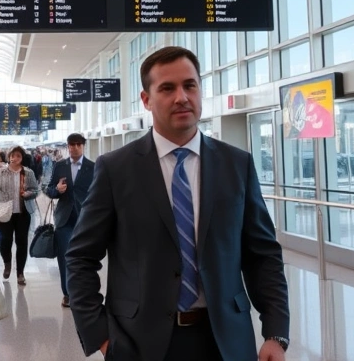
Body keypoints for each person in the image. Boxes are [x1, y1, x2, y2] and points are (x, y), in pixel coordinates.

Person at [66, 47, 290, 361]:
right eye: (167, 88)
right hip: (139, 344)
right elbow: (80, 257)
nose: (181, 97)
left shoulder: (236, 164)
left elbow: (263, 254)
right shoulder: (116, 169)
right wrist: (100, 335)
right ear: (146, 99)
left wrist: (276, 333)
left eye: (190, 85)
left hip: (226, 341)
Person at [44, 133, 94, 308]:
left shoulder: (92, 167)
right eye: (71, 145)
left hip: (85, 219)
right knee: (64, 257)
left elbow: (99, 193)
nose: (74, 147)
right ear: (67, 147)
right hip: (64, 219)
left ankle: (83, 291)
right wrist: (56, 189)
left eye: (78, 144)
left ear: (83, 146)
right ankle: (67, 294)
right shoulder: (60, 166)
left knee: (84, 257)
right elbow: (49, 190)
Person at [0, 145, 39, 285]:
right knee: (5, 241)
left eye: (18, 156)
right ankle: (7, 263)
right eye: (13, 155)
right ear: (9, 157)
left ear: (22, 158)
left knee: (22, 242)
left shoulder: (28, 173)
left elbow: (36, 190)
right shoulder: (1, 172)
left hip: (23, 213)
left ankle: (20, 272)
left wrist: (29, 194)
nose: (15, 158)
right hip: (4, 213)